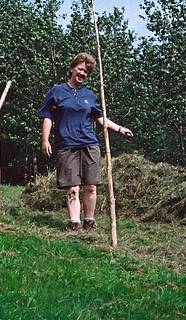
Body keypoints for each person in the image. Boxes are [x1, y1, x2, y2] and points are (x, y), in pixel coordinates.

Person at [38, 52, 133, 231]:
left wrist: (120, 129)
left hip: (89, 144)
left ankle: (89, 221)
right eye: (80, 69)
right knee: (72, 187)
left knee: (90, 186)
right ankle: (74, 222)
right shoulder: (57, 91)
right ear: (72, 69)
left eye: (86, 72)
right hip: (66, 145)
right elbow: (47, 117)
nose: (82, 74)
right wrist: (45, 140)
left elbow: (100, 118)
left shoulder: (90, 95)